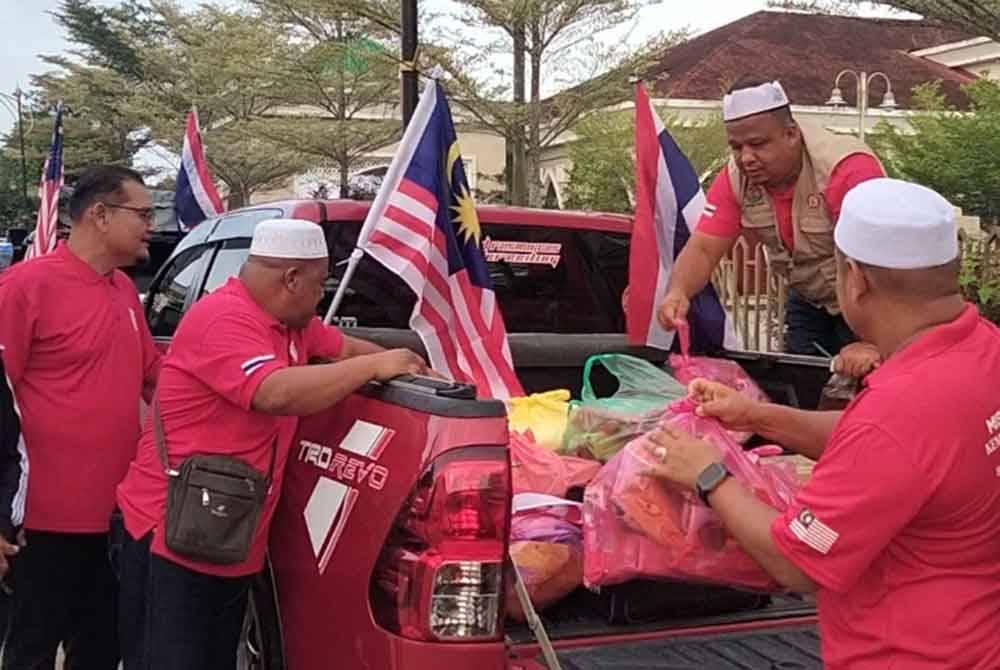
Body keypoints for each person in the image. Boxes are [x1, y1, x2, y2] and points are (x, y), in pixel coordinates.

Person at [645, 178, 1000, 670]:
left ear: (856, 279)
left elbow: (796, 563)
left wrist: (709, 476)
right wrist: (754, 415)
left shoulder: (897, 413)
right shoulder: (983, 349)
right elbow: (899, 460)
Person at [115, 218, 430, 670]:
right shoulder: (223, 317)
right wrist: (375, 368)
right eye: (320, 284)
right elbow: (273, 392)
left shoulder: (289, 323)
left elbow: (343, 349)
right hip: (172, 530)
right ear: (291, 279)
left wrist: (413, 368)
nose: (322, 296)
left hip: (229, 529)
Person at [0, 165, 163, 669]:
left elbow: (155, 377)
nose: (150, 226)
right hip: (40, 520)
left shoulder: (123, 293)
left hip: (116, 518)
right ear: (99, 214)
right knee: (31, 648)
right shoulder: (23, 287)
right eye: (142, 213)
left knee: (101, 648)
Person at [657, 78, 885, 376]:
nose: (746, 158)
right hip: (809, 298)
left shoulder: (846, 168)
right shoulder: (735, 177)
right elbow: (703, 247)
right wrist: (678, 292)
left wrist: (873, 340)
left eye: (758, 144)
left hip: (871, 302)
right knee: (801, 387)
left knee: (871, 393)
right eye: (736, 147)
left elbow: (880, 266)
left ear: (791, 134)